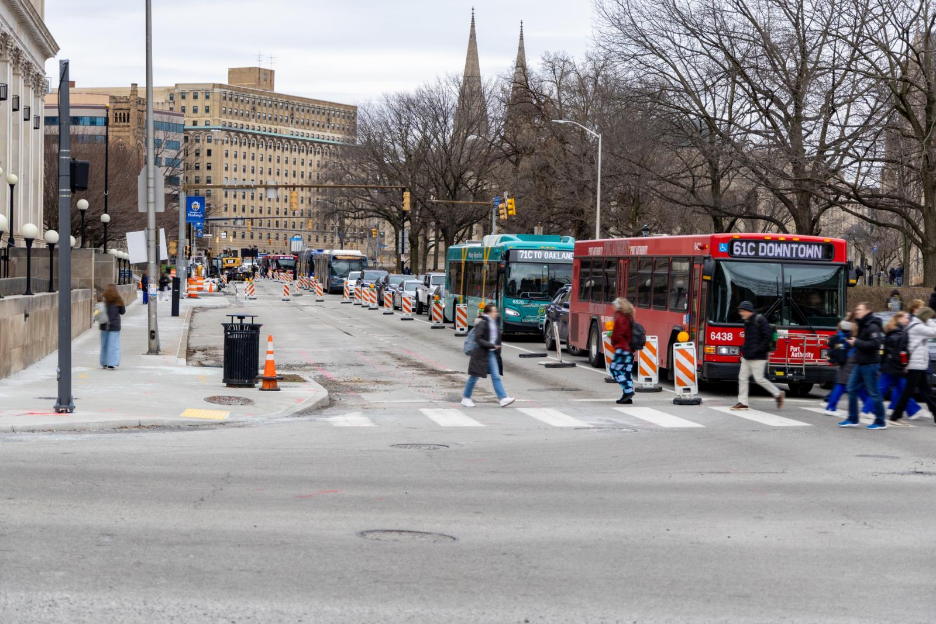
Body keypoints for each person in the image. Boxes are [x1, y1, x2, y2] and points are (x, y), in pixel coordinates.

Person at [839, 302, 886, 429]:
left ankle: (880, 421)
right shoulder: (862, 324)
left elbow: (875, 344)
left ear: (867, 310)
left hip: (870, 364)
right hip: (860, 363)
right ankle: (853, 419)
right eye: (857, 309)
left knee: (874, 393)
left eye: (859, 309)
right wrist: (853, 342)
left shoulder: (873, 326)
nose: (857, 311)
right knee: (851, 388)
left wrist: (857, 342)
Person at [731, 301, 784, 410]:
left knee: (759, 379)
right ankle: (743, 402)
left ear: (748, 311)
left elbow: (767, 337)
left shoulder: (760, 320)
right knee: (742, 378)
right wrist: (744, 350)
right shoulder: (747, 322)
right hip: (747, 356)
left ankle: (778, 393)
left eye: (742, 311)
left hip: (758, 356)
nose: (741, 313)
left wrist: (757, 350)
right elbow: (748, 339)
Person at [461, 304, 515, 408]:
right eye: (494, 311)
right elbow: (478, 338)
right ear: (488, 313)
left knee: (496, 376)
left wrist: (495, 348)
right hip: (480, 353)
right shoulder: (483, 323)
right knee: (474, 376)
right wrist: (491, 345)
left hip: (490, 353)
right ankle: (466, 398)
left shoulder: (493, 322)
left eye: (496, 311)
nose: (496, 313)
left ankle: (503, 398)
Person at [889, 307, 936, 423]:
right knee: (910, 392)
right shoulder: (918, 327)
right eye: (930, 317)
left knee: (926, 392)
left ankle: (896, 415)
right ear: (926, 316)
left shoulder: (914, 324)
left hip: (917, 364)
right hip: (916, 364)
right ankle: (895, 415)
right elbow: (934, 332)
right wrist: (930, 321)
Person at [879, 312, 921, 420]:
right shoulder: (900, 332)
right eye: (906, 317)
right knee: (893, 387)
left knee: (898, 387)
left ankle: (911, 409)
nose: (908, 319)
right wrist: (904, 364)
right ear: (899, 319)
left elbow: (889, 350)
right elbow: (902, 352)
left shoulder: (893, 330)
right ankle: (912, 409)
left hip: (891, 365)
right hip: (894, 366)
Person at [608, 297, 636, 404]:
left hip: (622, 349)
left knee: (614, 369)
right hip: (629, 349)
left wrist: (613, 341)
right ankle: (627, 396)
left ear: (619, 306)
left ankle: (628, 391)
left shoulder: (620, 317)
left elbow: (618, 334)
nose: (613, 307)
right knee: (626, 372)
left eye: (614, 305)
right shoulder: (629, 316)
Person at [98, 284, 126, 370]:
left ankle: (104, 362)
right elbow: (122, 312)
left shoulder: (103, 299)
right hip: (115, 326)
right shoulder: (118, 300)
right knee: (113, 345)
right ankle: (112, 363)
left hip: (104, 325)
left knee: (104, 345)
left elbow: (98, 310)